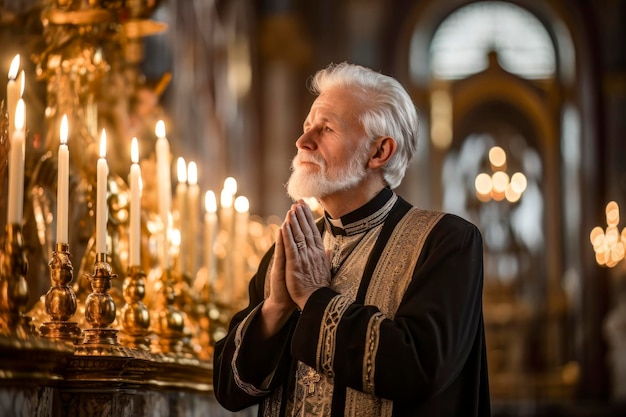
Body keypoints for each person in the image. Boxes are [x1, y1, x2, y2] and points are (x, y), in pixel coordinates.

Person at [213, 62, 491, 417]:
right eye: (306, 126)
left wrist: (314, 298)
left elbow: (420, 368)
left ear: (379, 152)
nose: (302, 142)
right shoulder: (288, 249)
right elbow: (229, 391)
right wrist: (276, 309)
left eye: (326, 129)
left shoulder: (446, 241)